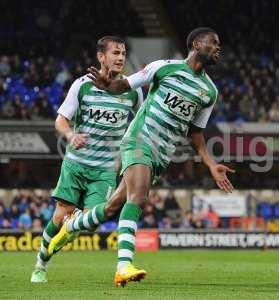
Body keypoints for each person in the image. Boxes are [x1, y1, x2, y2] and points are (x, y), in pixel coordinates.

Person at [50, 27, 234, 287]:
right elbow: (125, 84)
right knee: (139, 197)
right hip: (140, 139)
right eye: (213, 43)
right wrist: (108, 85)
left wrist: (210, 163)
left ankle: (73, 225)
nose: (218, 48)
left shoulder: (209, 92)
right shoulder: (164, 68)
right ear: (196, 44)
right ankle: (123, 265)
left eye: (219, 44)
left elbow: (196, 132)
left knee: (113, 206)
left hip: (163, 153)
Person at [30, 36, 144, 283]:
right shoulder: (82, 85)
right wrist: (71, 135)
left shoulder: (133, 90)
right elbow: (60, 120)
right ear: (101, 57)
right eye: (115, 53)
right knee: (60, 217)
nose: (121, 57)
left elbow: (140, 123)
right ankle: (41, 263)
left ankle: (68, 231)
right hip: (76, 163)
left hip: (104, 170)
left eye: (123, 53)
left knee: (90, 222)